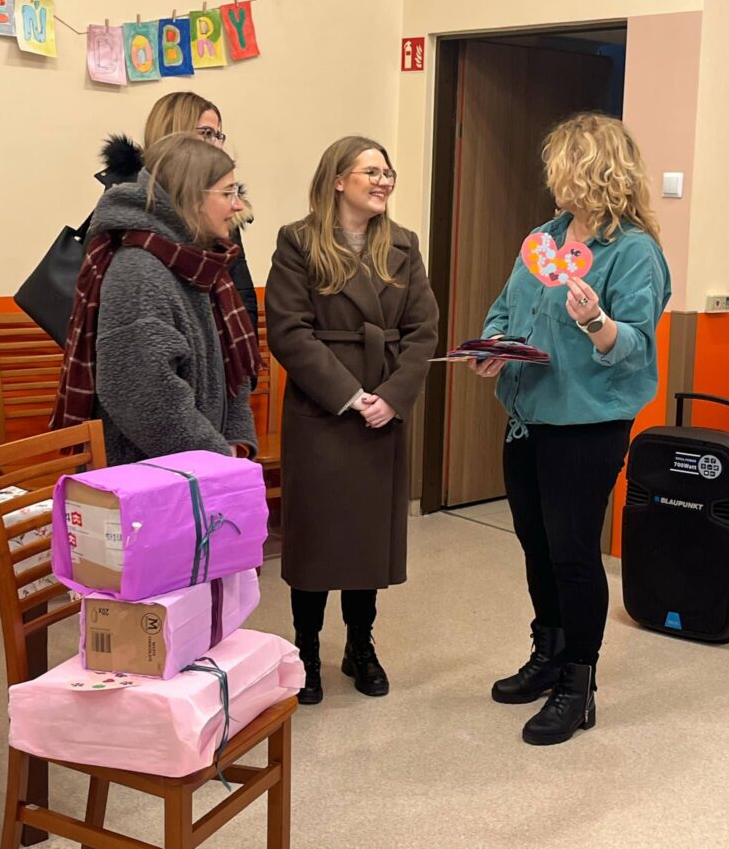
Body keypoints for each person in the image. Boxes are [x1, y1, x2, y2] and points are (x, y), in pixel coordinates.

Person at [470, 113, 670, 745]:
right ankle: (549, 653)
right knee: (536, 546)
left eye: (559, 164)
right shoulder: (543, 238)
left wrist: (595, 323)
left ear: (591, 169)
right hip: (528, 418)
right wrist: (494, 345)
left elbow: (635, 345)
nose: (550, 175)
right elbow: (506, 309)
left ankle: (578, 685)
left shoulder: (634, 251)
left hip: (587, 425)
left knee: (573, 553)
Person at [265, 135, 438, 705]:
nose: (384, 181)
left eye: (388, 172)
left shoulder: (404, 244)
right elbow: (289, 332)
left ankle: (360, 645)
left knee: (367, 541)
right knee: (317, 541)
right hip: (323, 410)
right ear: (338, 180)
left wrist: (392, 396)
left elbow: (423, 331)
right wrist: (349, 395)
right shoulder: (298, 241)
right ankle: (306, 650)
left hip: (384, 409)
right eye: (371, 171)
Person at [51, 133, 259, 466]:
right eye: (227, 193)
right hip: (148, 476)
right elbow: (144, 396)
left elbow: (231, 370)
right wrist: (218, 458)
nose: (238, 205)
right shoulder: (139, 271)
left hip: (196, 468)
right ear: (192, 198)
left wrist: (235, 441)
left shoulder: (201, 263)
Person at [96, 91, 259, 339]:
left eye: (219, 136)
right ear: (173, 133)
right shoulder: (131, 210)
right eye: (206, 133)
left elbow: (241, 293)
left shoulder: (219, 210)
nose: (216, 145)